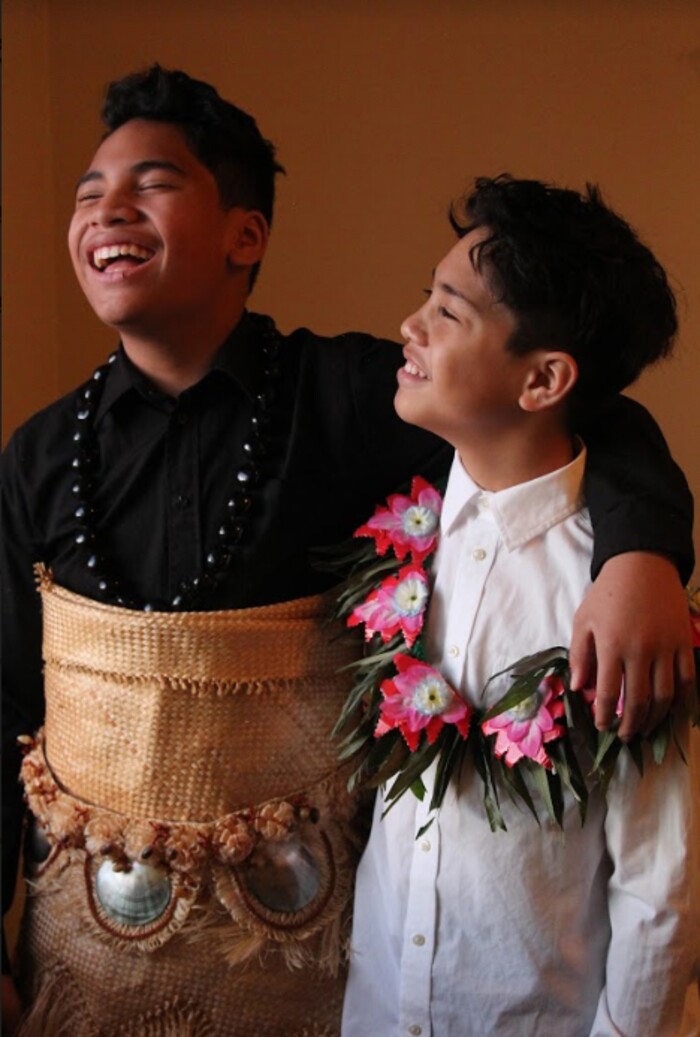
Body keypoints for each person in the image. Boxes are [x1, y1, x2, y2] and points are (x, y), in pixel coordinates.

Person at [0, 66, 695, 1036]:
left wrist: (640, 554)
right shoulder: (37, 453)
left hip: (302, 962)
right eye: (87, 192)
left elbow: (578, 416)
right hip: (86, 952)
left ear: (246, 233)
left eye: (150, 182)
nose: (107, 206)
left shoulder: (348, 398)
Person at [341, 175, 699, 1037]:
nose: (410, 325)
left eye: (449, 313)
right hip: (379, 1008)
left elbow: (659, 879)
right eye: (425, 296)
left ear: (542, 379)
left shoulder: (615, 601)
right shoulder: (400, 528)